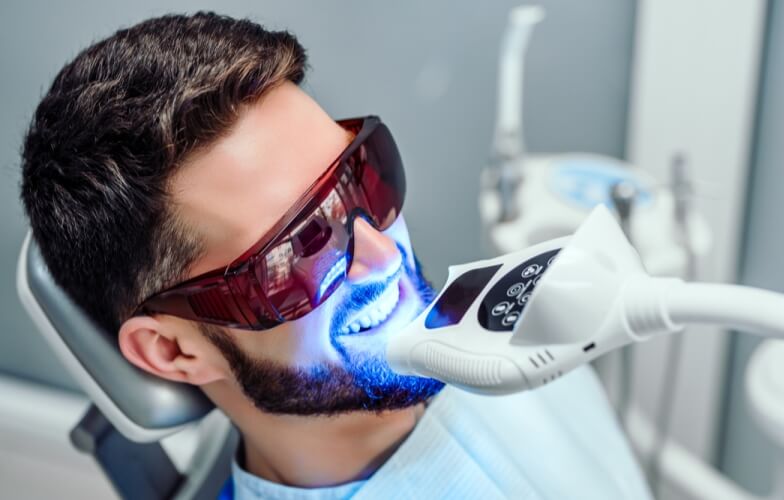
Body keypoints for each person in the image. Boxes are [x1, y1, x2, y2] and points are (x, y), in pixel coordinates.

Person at [20, 12, 651, 499]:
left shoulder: (519, 324)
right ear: (173, 351)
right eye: (300, 246)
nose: (384, 254)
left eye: (361, 177)